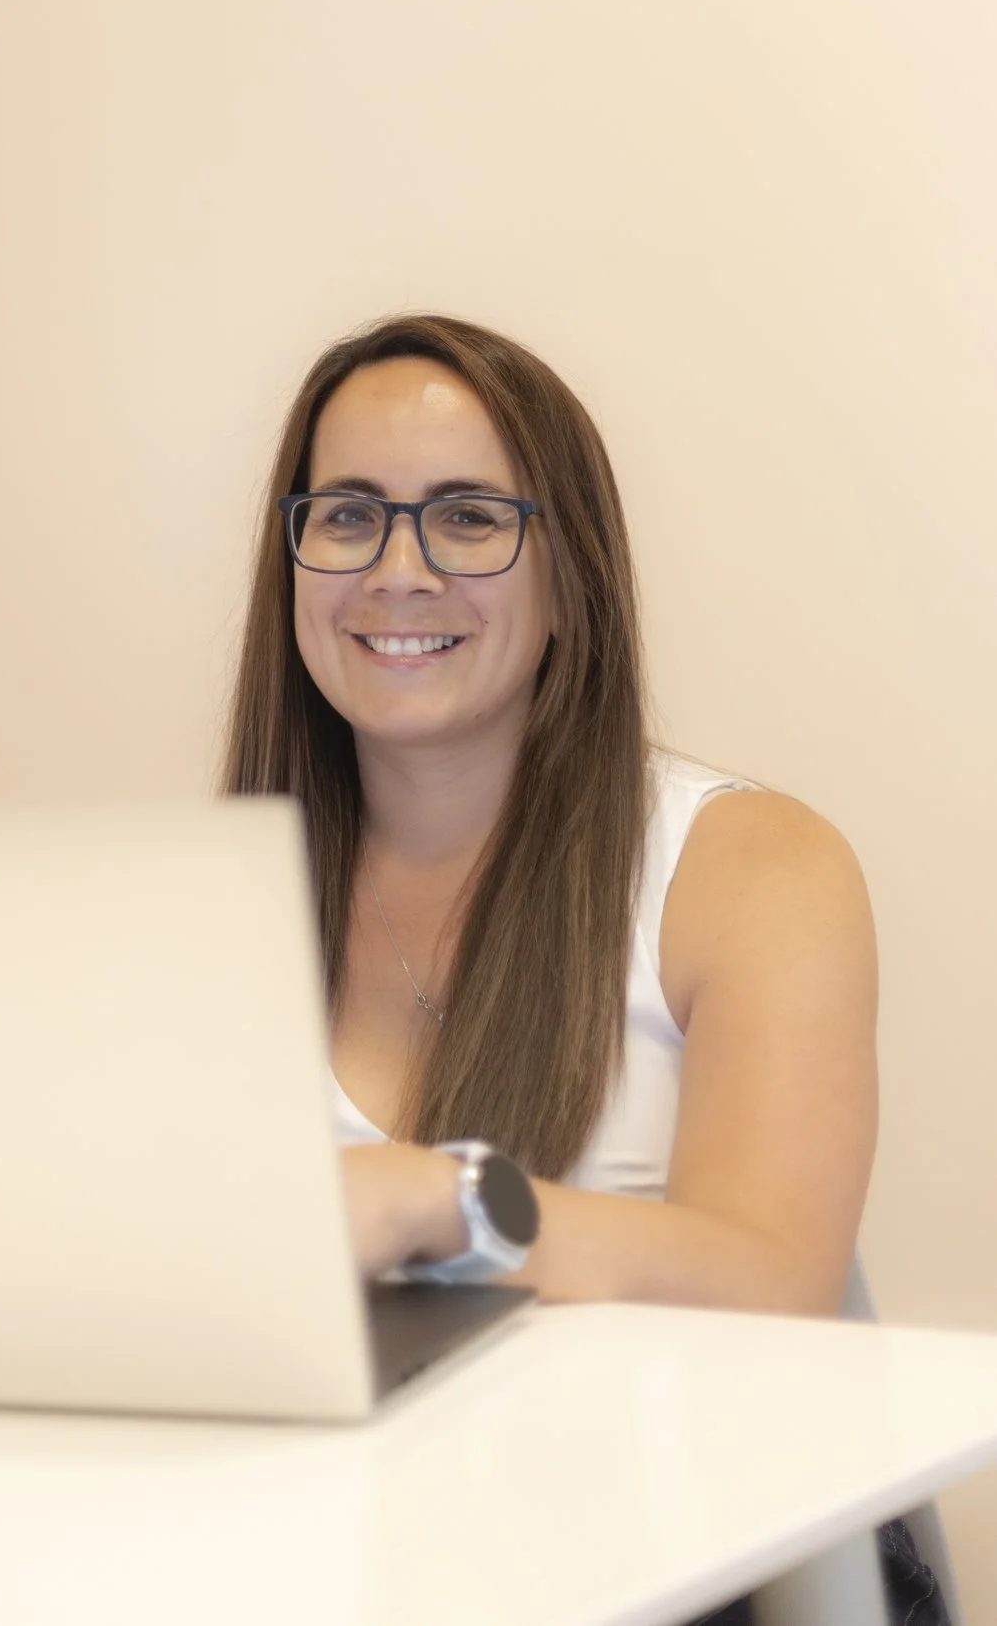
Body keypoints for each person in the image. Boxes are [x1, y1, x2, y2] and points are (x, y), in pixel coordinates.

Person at [222, 313, 943, 1625]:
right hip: (329, 1560)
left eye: (467, 518)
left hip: (671, 1561)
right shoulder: (217, 905)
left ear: (570, 580)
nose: (397, 571)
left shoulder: (749, 867)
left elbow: (775, 1282)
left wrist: (442, 1203)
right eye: (349, 516)